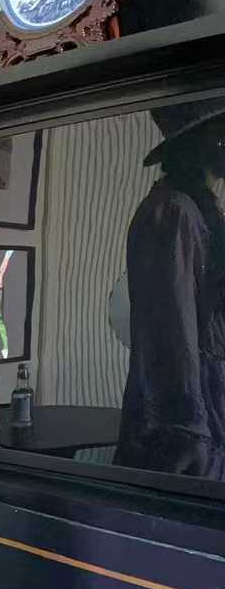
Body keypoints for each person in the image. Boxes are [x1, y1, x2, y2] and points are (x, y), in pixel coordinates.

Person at [115, 96, 225, 480]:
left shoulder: (201, 212)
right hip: (185, 435)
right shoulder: (172, 212)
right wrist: (191, 443)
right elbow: (169, 338)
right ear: (208, 139)